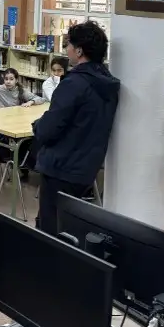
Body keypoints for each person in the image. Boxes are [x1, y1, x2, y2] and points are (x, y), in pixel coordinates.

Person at [33, 21, 119, 235]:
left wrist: (38, 125)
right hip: (86, 168)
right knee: (70, 228)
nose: (66, 49)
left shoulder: (73, 84)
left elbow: (49, 128)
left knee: (51, 229)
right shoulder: (108, 84)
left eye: (68, 44)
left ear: (79, 50)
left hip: (61, 167)